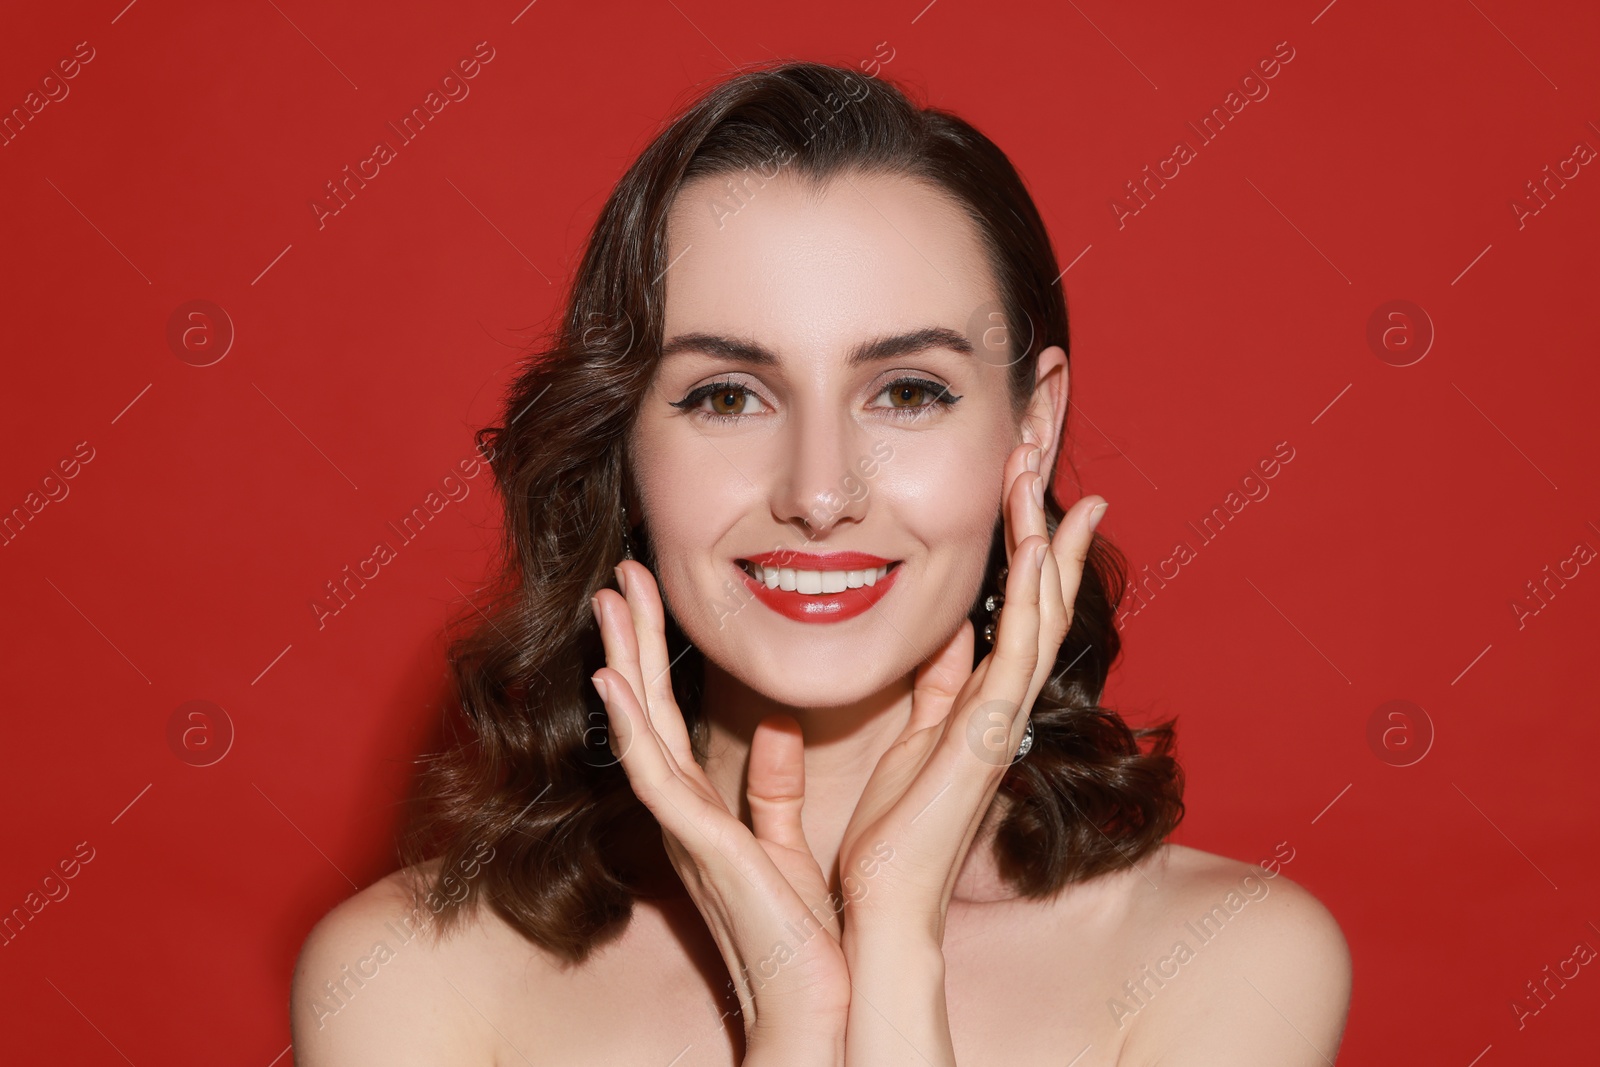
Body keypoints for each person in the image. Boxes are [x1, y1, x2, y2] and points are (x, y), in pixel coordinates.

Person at [290, 59, 1351, 1065]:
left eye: (906, 390)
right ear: (622, 442)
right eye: (726, 395)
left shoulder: (1226, 960)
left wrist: (896, 943)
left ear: (1031, 427)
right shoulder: (414, 978)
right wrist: (793, 1008)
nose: (818, 492)